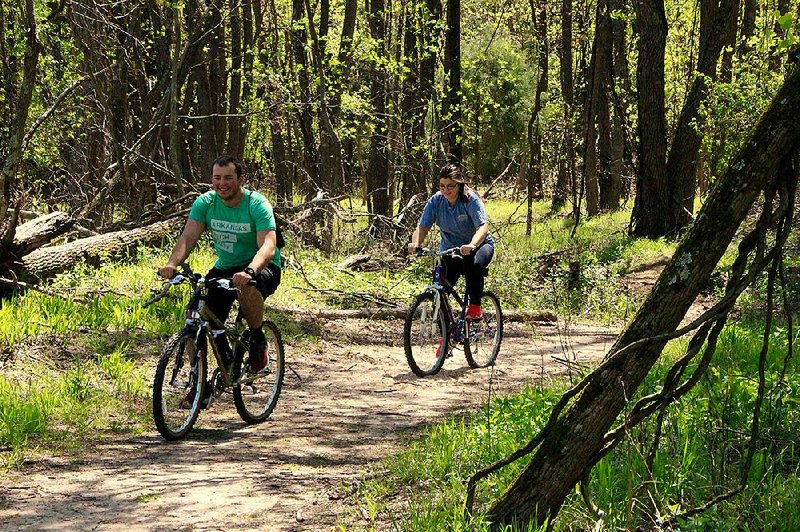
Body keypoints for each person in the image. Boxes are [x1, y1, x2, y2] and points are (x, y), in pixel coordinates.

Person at [159, 155, 282, 376]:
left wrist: (250, 271)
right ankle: (200, 381)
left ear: (241, 179)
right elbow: (187, 238)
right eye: (217, 178)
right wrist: (172, 264)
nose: (222, 184)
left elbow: (268, 246)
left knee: (245, 286)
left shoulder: (256, 204)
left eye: (228, 178)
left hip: (262, 265)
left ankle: (257, 339)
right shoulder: (206, 203)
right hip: (226, 266)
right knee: (194, 314)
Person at [407, 163, 494, 319]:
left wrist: (472, 245)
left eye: (450, 186)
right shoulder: (436, 201)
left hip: (479, 245)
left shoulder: (470, 199)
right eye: (442, 186)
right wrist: (416, 244)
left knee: (473, 265)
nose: (446, 190)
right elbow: (422, 227)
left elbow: (482, 227)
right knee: (439, 294)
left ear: (459, 183)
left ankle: (475, 307)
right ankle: (446, 339)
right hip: (450, 250)